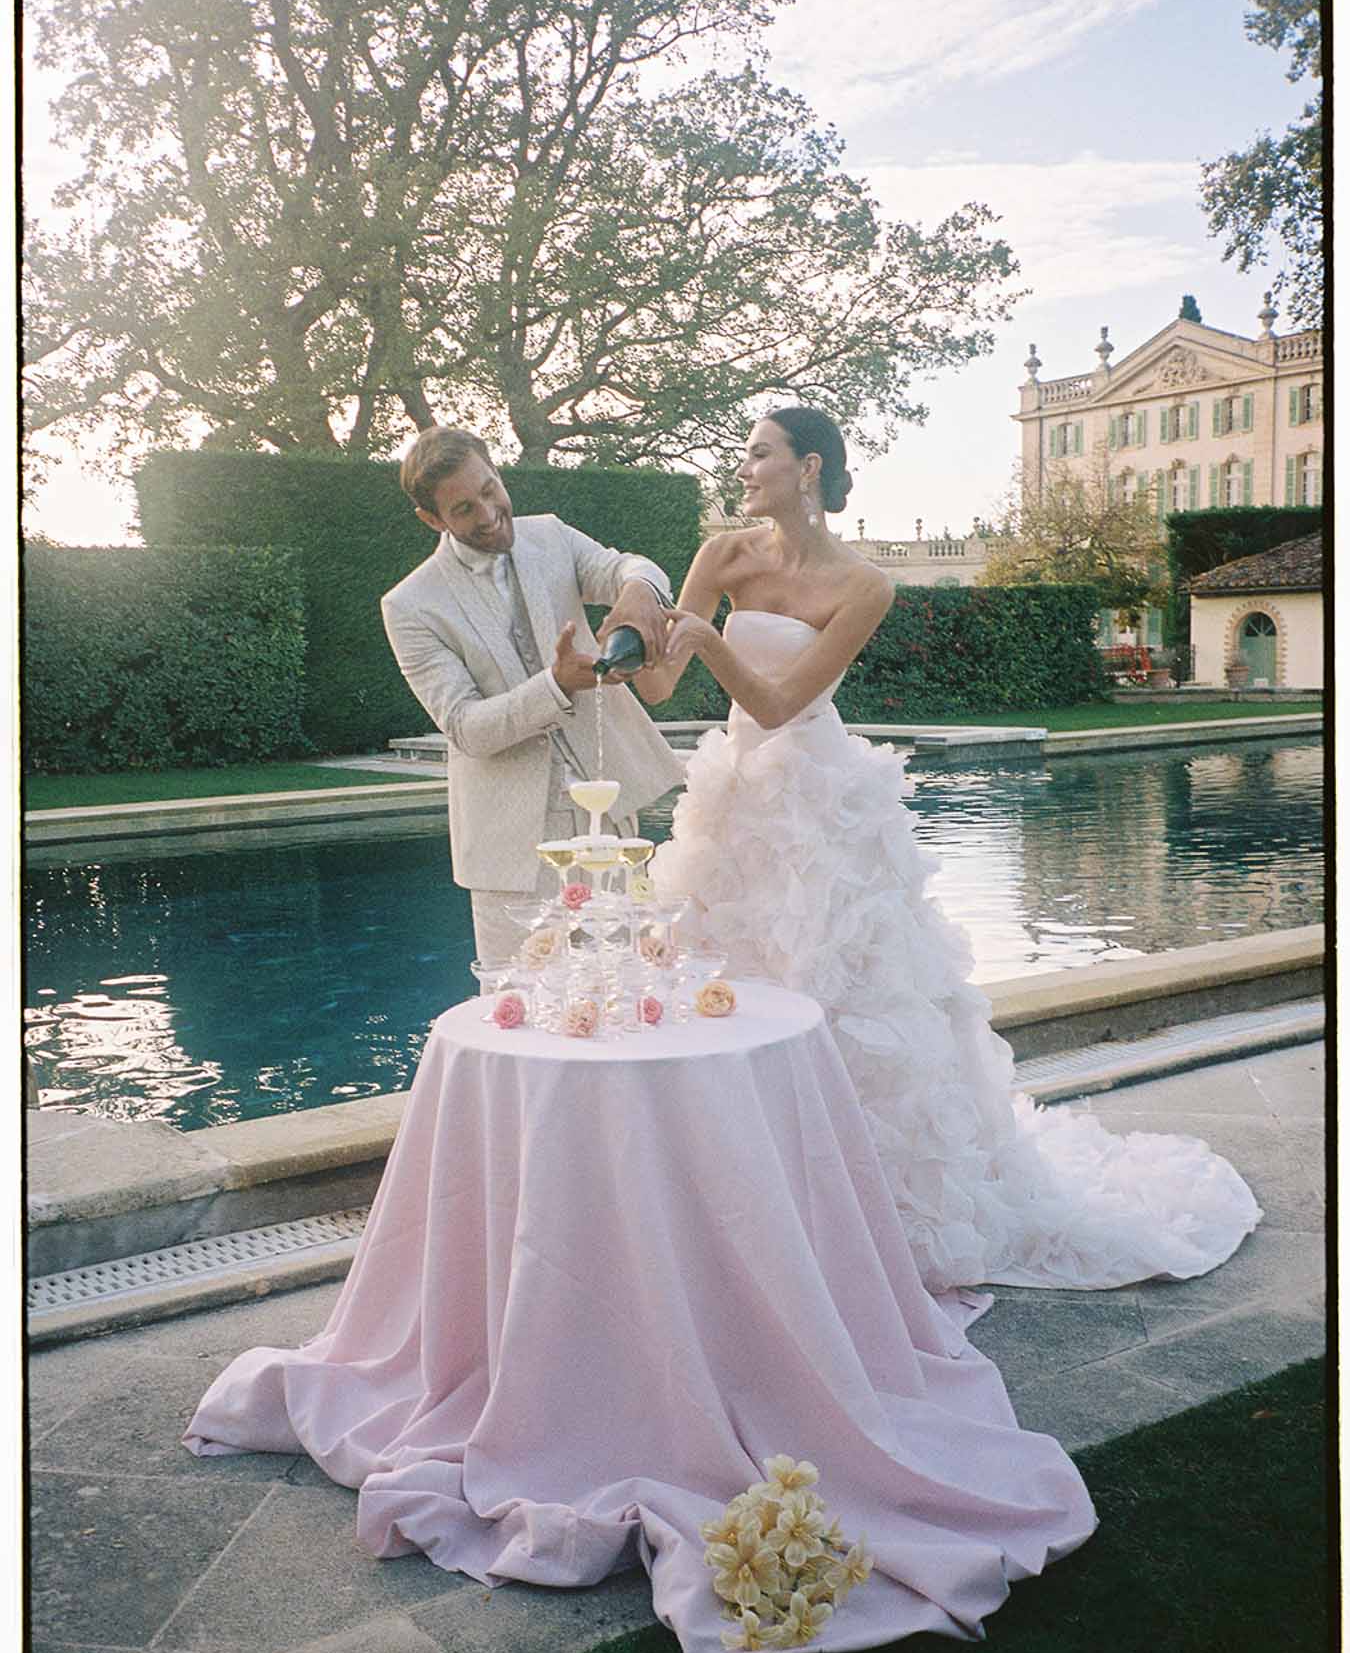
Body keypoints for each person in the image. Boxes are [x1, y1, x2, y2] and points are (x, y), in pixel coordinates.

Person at [638, 407, 1263, 1296]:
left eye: (759, 454)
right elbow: (662, 678)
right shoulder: (723, 556)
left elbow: (780, 704)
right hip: (732, 802)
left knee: (835, 989)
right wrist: (622, 647)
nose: (743, 469)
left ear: (807, 466)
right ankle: (732, 1197)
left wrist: (706, 642)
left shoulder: (865, 586)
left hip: (819, 802)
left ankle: (847, 1203)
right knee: (729, 982)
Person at [383, 426, 685, 965]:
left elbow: (626, 566)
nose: (488, 513)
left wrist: (639, 590)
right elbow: (465, 727)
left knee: (625, 985)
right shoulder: (410, 605)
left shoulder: (550, 536)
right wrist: (556, 684)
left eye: (490, 488)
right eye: (464, 509)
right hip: (511, 850)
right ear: (432, 520)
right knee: (522, 1006)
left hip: (604, 819)